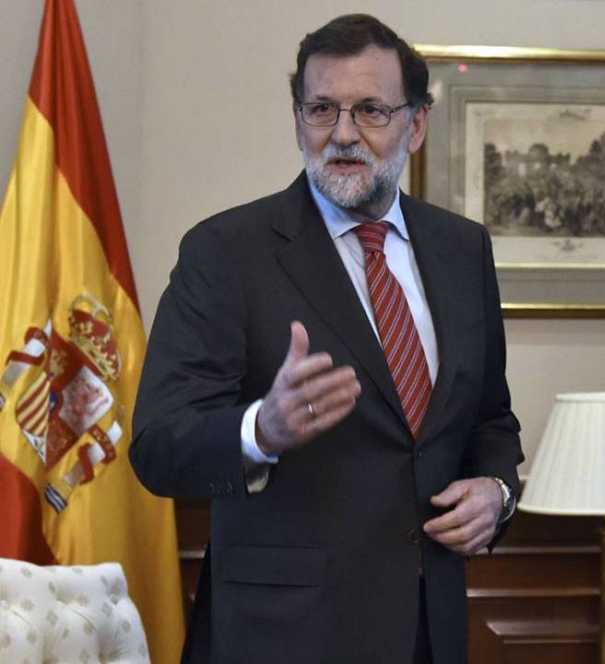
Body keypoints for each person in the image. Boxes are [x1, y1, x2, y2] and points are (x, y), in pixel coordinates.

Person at [130, 14, 523, 664]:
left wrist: (496, 491)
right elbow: (157, 445)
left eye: (370, 110)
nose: (342, 134)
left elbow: (490, 419)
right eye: (321, 109)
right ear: (297, 118)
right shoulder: (226, 253)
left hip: (430, 631)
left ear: (415, 123)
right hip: (282, 637)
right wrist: (261, 430)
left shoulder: (462, 249)